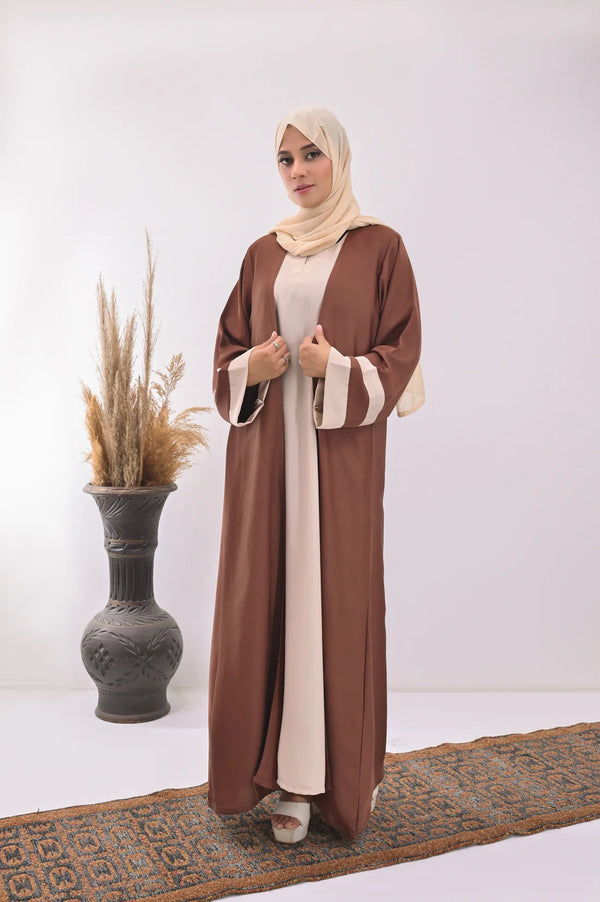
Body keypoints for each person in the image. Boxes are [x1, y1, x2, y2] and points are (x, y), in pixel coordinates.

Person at [208, 105, 424, 844]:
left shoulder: (380, 247)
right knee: (267, 598)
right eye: (285, 159)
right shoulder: (262, 253)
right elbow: (226, 355)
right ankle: (282, 782)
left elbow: (402, 354)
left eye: (311, 155)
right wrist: (255, 367)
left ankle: (327, 782)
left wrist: (334, 366)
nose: (297, 171)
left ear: (339, 158)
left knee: (334, 601)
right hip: (268, 459)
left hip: (339, 462)